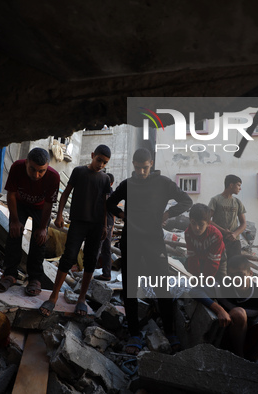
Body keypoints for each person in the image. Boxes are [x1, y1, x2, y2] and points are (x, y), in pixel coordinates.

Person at [107, 148, 192, 355]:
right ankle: (134, 334)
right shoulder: (128, 184)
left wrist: (168, 213)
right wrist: (122, 215)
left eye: (144, 168)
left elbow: (186, 201)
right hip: (131, 241)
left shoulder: (163, 183)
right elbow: (109, 203)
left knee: (163, 286)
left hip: (154, 241)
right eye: (137, 168)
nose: (141, 172)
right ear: (133, 165)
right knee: (130, 288)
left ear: (151, 164)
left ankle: (170, 333)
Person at [190, 254, 258, 373]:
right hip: (226, 340)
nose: (236, 279)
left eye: (241, 275)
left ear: (250, 274)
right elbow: (195, 290)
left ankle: (251, 361)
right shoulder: (223, 286)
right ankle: (238, 360)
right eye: (232, 275)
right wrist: (219, 309)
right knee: (238, 313)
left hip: (248, 342)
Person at [40, 145, 112, 316]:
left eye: (105, 162)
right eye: (99, 160)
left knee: (90, 261)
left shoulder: (104, 179)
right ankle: (53, 296)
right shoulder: (79, 171)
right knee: (68, 257)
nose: (101, 164)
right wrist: (59, 215)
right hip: (78, 223)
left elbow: (105, 204)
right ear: (93, 155)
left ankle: (81, 299)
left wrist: (104, 226)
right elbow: (65, 193)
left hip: (96, 226)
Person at [0, 148, 59, 296]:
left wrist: (43, 228)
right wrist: (15, 221)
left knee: (39, 240)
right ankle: (9, 274)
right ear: (26, 163)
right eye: (32, 169)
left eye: (41, 171)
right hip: (20, 204)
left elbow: (49, 204)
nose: (36, 175)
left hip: (40, 208)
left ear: (47, 166)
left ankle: (35, 278)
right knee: (14, 234)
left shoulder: (53, 177)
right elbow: (11, 195)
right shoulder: (17, 167)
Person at [208, 174, 247, 283]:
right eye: (238, 185)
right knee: (217, 268)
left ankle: (233, 292)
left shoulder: (237, 202)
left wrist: (234, 234)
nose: (240, 188)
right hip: (218, 240)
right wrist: (223, 231)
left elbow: (244, 223)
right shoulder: (216, 200)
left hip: (234, 242)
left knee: (235, 269)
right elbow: (208, 220)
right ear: (231, 185)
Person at [184, 203, 225, 278]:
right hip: (200, 256)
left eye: (201, 224)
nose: (196, 228)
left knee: (221, 282)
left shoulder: (216, 236)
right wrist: (195, 277)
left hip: (217, 258)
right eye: (193, 223)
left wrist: (206, 281)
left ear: (208, 223)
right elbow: (192, 257)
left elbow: (213, 262)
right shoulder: (188, 234)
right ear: (190, 220)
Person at [94, 173, 115, 281]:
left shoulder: (105, 193)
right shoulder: (112, 194)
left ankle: (89, 272)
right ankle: (106, 273)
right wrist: (111, 227)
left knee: (97, 247)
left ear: (110, 183)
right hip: (108, 223)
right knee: (106, 249)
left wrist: (107, 226)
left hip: (104, 223)